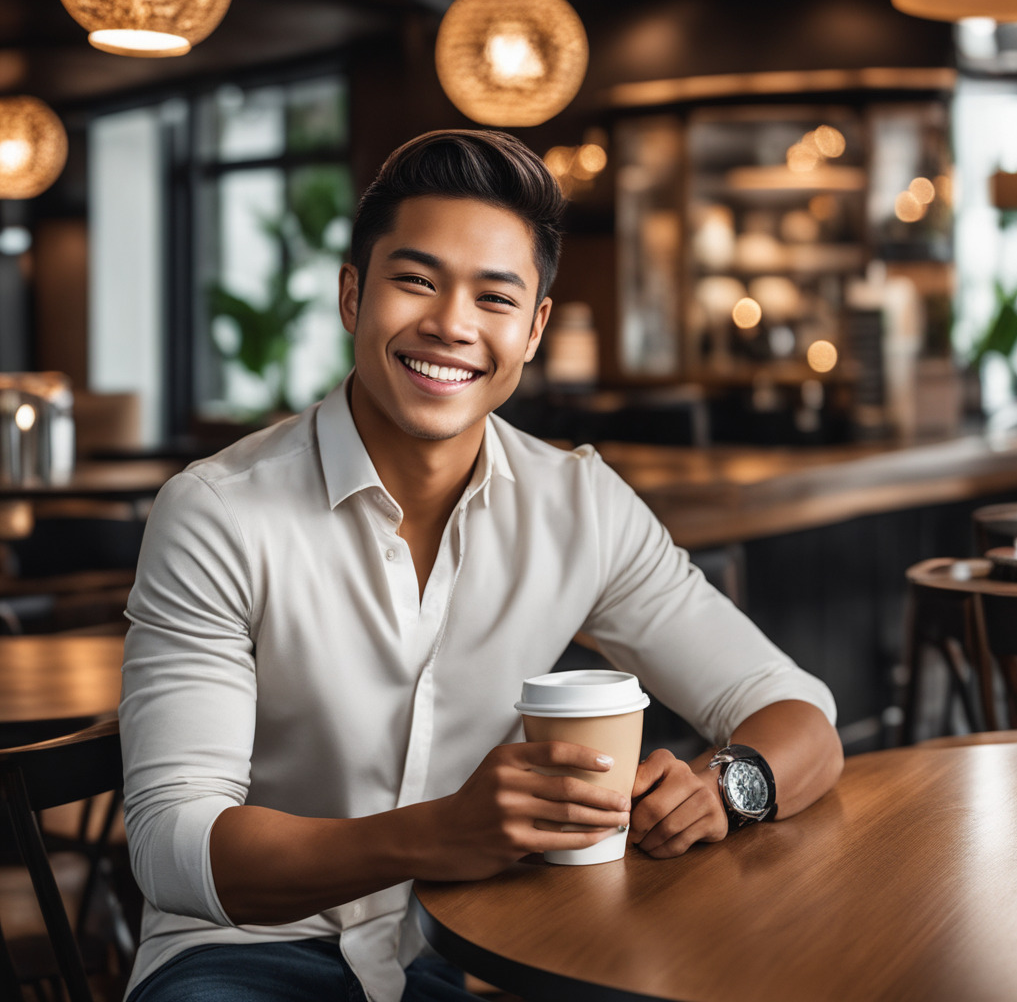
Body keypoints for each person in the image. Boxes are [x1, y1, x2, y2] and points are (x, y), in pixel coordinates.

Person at [119, 129, 843, 1002]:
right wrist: (432, 836)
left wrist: (725, 785)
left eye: (494, 298)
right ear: (353, 295)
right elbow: (172, 846)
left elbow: (798, 709)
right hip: (242, 956)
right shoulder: (218, 512)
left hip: (460, 953)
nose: (452, 325)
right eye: (415, 280)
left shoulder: (580, 504)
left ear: (534, 328)